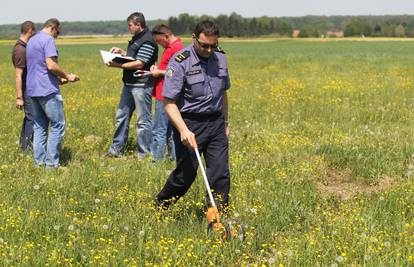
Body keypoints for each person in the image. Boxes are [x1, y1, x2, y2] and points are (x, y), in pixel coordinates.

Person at [155, 21, 231, 212]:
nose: (208, 50)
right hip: (189, 123)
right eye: (204, 45)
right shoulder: (180, 61)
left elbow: (223, 93)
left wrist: (226, 122)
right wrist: (183, 130)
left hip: (215, 122)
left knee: (220, 173)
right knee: (186, 175)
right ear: (194, 39)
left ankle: (217, 217)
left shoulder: (220, 58)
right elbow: (169, 103)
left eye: (213, 45)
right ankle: (160, 207)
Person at [26, 18, 79, 168]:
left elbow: (38, 66)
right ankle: (52, 164)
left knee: (39, 126)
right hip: (47, 89)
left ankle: (39, 163)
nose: (57, 35)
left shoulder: (32, 40)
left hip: (33, 89)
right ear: (52, 28)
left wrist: (57, 79)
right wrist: (67, 76)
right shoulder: (48, 40)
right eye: (58, 32)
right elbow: (50, 65)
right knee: (57, 125)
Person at [106, 12, 158, 158]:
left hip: (141, 86)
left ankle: (144, 154)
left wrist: (116, 65)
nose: (128, 28)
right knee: (121, 117)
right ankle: (116, 150)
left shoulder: (147, 40)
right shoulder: (138, 38)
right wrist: (121, 53)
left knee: (143, 121)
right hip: (129, 84)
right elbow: (135, 56)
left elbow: (140, 63)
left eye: (130, 25)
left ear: (138, 25)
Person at [150, 24, 184, 162]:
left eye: (159, 41)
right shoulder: (171, 47)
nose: (159, 44)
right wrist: (157, 68)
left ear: (166, 36)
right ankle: (172, 158)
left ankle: (157, 160)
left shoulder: (177, 48)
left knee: (160, 128)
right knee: (169, 130)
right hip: (163, 92)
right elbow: (169, 68)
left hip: (165, 95)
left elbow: (178, 72)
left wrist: (159, 72)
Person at [11, 21, 36, 152]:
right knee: (32, 118)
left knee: (30, 118)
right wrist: (19, 97)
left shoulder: (24, 47)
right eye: (34, 31)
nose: (35, 34)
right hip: (26, 90)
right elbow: (18, 75)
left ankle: (24, 146)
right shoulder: (20, 49)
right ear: (30, 30)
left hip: (29, 88)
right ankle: (26, 150)